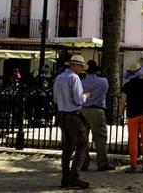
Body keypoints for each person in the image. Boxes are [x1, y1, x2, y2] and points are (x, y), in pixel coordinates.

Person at [53, 54, 90, 189]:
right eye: (80, 67)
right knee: (82, 144)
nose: (81, 70)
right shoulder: (74, 78)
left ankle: (65, 178)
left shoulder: (59, 77)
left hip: (62, 114)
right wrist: (86, 96)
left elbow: (55, 99)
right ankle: (74, 177)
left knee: (67, 147)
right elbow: (78, 100)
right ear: (75, 65)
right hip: (73, 115)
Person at [80, 60, 114, 172]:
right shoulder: (103, 81)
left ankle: (83, 162)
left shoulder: (81, 82)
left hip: (83, 110)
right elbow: (105, 92)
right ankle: (102, 162)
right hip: (97, 109)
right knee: (100, 138)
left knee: (83, 138)